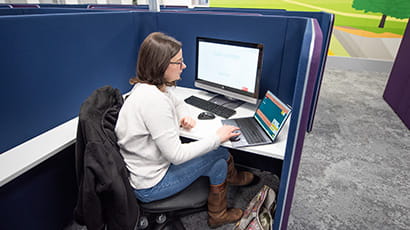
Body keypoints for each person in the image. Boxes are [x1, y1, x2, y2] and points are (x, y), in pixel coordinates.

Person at [115, 32, 254, 228]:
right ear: (162, 65)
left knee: (218, 164)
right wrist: (216, 138)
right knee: (219, 151)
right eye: (179, 62)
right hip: (151, 185)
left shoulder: (146, 88)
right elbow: (177, 155)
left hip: (144, 170)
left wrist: (183, 116)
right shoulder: (153, 102)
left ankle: (218, 214)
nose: (184, 66)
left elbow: (176, 100)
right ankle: (233, 179)